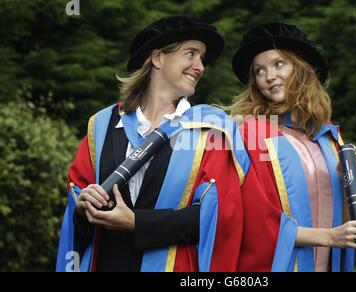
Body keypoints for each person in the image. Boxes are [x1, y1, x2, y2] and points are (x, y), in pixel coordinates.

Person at [56, 16, 250, 272]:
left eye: (202, 59)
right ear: (158, 58)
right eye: (190, 54)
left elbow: (221, 215)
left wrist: (138, 223)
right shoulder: (102, 124)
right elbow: (77, 202)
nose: (200, 67)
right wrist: (83, 207)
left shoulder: (209, 129)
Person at [227, 22, 356, 272]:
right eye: (259, 71)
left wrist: (346, 181)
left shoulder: (329, 136)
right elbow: (252, 222)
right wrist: (329, 237)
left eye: (278, 64)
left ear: (302, 68)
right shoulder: (249, 133)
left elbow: (336, 217)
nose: (269, 76)